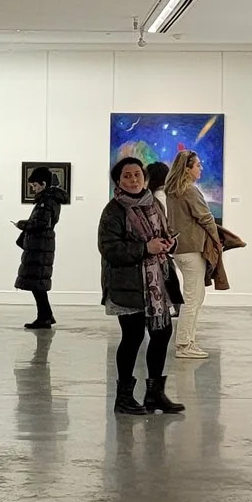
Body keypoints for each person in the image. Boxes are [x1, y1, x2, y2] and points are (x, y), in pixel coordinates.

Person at [98, 155, 183, 416]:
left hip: (158, 283)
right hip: (128, 285)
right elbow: (109, 249)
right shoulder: (113, 210)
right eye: (127, 176)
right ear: (118, 181)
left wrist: (169, 244)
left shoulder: (154, 203)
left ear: (144, 178)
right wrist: (145, 248)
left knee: (162, 334)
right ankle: (123, 397)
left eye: (137, 175)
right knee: (132, 338)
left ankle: (154, 394)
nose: (133, 180)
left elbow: (164, 232)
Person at [164, 147, 220, 360]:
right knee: (193, 298)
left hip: (180, 249)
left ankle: (189, 341)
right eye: (197, 165)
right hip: (192, 249)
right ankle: (184, 344)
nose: (201, 168)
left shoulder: (172, 190)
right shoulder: (189, 190)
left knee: (195, 295)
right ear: (187, 169)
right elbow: (205, 217)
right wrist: (216, 239)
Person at [14, 167, 68, 329]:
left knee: (37, 284)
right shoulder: (49, 199)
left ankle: (44, 317)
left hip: (40, 246)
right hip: (41, 245)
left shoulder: (46, 201)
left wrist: (22, 224)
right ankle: (45, 316)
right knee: (37, 284)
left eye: (35, 185)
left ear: (43, 184)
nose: (33, 188)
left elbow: (41, 224)